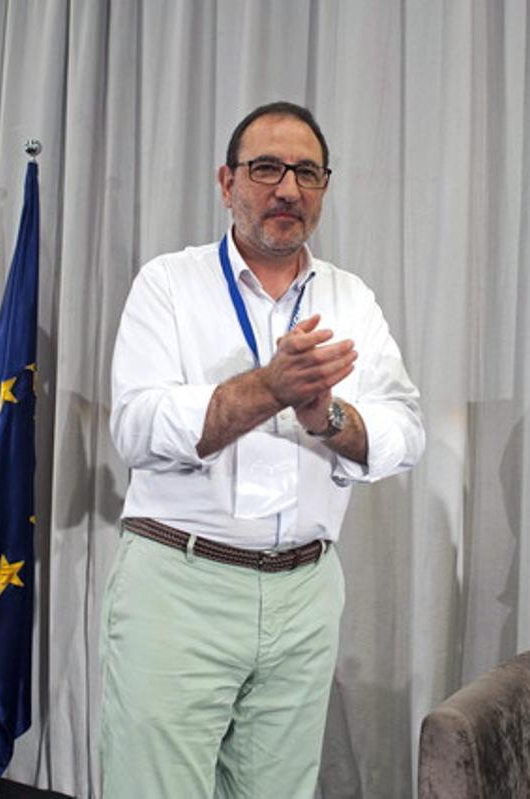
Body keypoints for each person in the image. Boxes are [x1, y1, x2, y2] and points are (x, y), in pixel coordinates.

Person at [102, 101, 424, 798]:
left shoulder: (352, 297)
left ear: (324, 187)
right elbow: (135, 426)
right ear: (227, 182)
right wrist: (268, 389)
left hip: (305, 591)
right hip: (180, 582)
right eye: (267, 168)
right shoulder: (170, 284)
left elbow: (405, 432)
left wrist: (328, 415)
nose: (287, 189)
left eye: (307, 172)